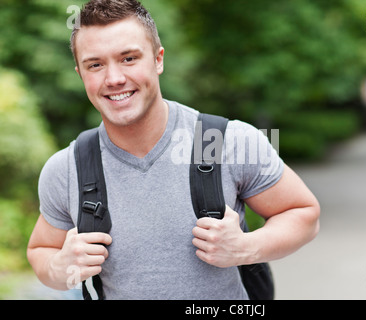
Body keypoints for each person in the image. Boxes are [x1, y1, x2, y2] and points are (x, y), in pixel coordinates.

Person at [27, 0, 320, 299]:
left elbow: (303, 214)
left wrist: (246, 247)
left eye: (129, 58)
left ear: (158, 60)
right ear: (80, 74)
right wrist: (60, 268)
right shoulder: (67, 168)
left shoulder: (225, 141)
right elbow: (41, 250)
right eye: (96, 65)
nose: (114, 79)